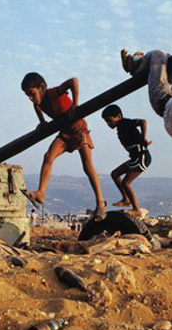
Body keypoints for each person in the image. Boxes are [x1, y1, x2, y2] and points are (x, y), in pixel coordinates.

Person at [20, 72, 107, 221]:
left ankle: (100, 202)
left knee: (87, 166)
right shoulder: (38, 103)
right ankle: (41, 193)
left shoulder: (54, 92)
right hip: (65, 132)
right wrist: (42, 122)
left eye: (32, 93)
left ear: (42, 87)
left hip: (79, 129)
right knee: (48, 156)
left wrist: (75, 103)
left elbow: (74, 81)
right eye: (27, 95)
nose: (31, 98)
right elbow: (37, 106)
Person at [102, 104, 151, 217]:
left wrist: (143, 137)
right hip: (134, 157)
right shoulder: (120, 127)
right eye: (106, 122)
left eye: (110, 120)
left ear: (118, 116)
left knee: (125, 182)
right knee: (115, 174)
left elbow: (143, 121)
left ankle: (136, 209)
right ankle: (126, 199)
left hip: (141, 156)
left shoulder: (124, 123)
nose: (109, 124)